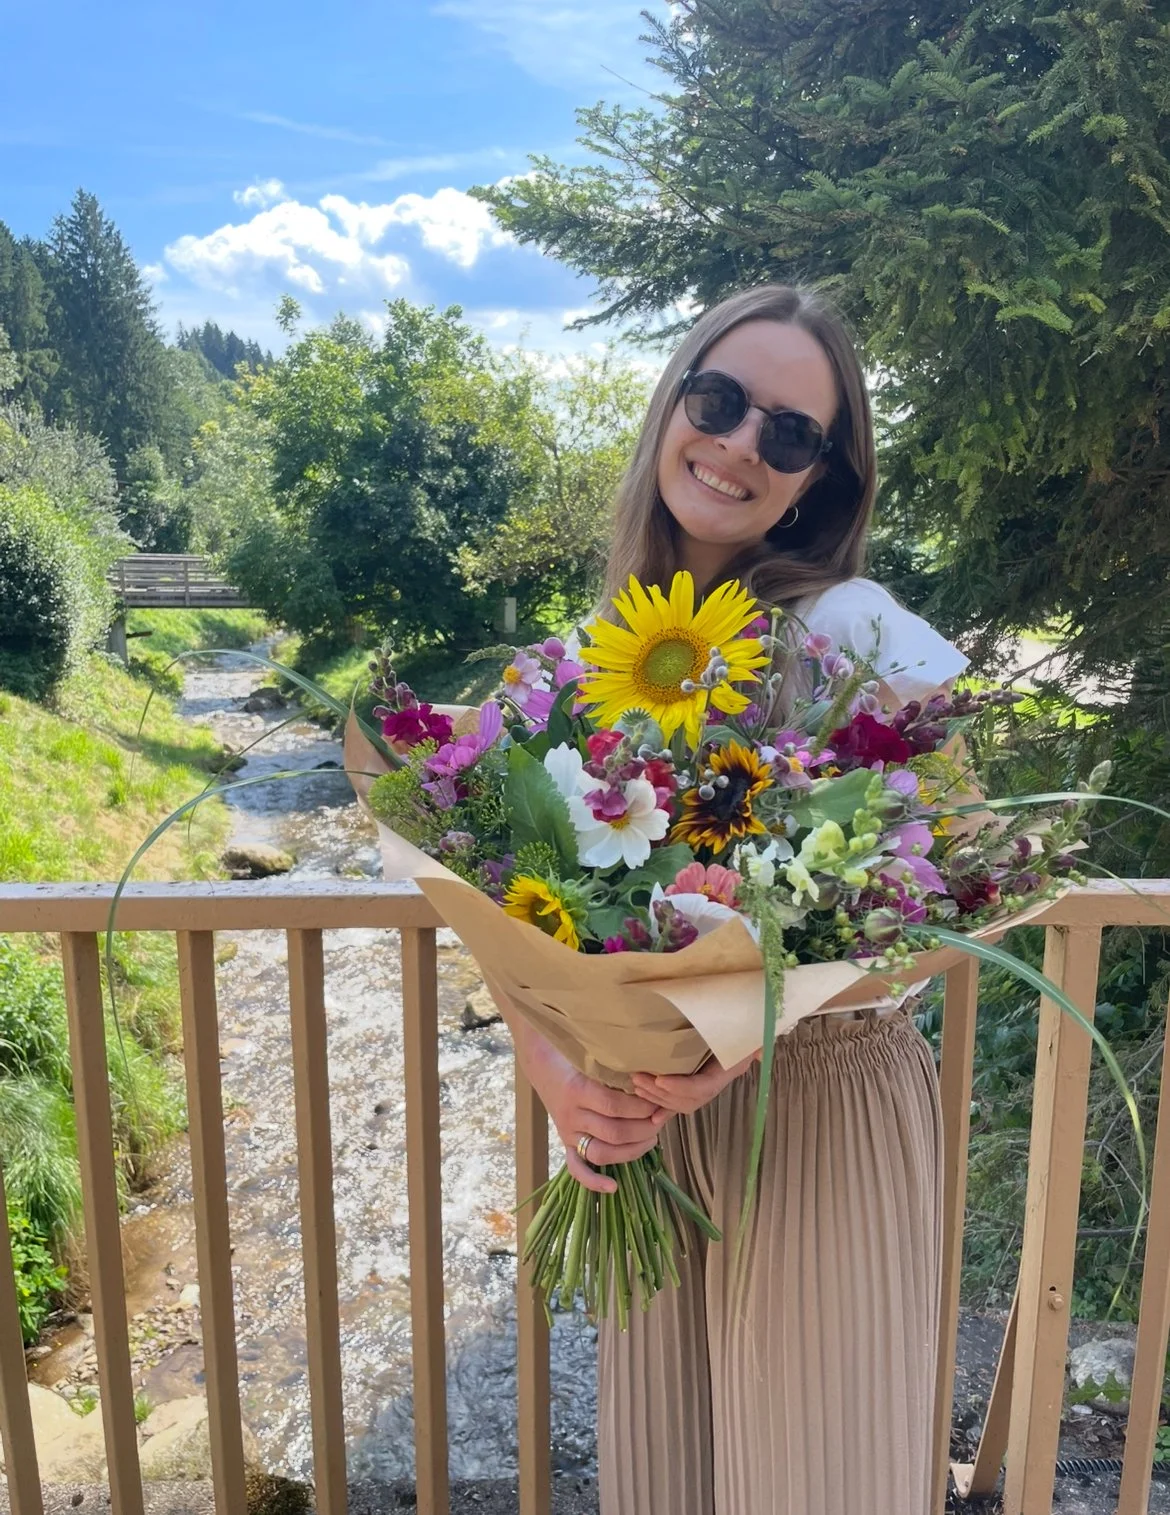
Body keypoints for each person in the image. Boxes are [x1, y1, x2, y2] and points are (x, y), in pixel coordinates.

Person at [505, 284, 969, 1515]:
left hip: (819, 1105)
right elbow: (519, 913)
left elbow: (953, 889)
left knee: (817, 1477)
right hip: (652, 1113)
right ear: (673, 407)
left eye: (791, 433)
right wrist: (564, 1070)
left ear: (819, 477)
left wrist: (754, 1019)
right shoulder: (584, 662)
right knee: (672, 1476)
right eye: (718, 401)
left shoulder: (856, 633)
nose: (739, 445)